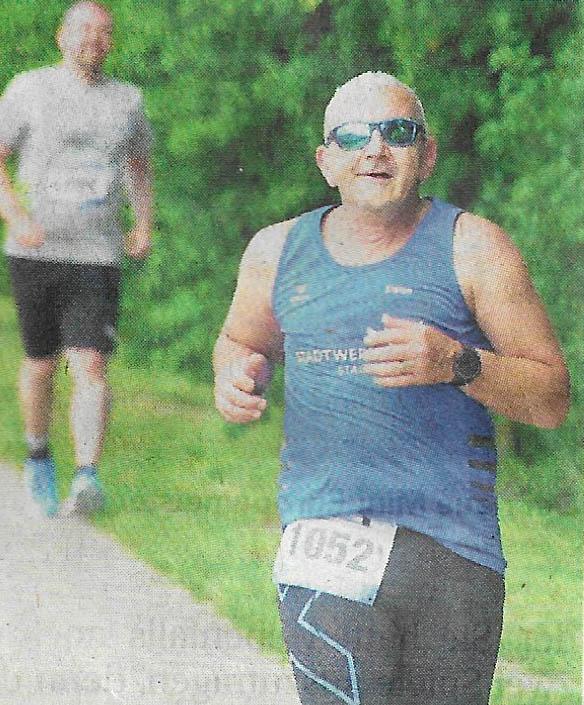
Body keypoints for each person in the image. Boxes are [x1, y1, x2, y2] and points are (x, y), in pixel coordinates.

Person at [213, 72, 569, 704]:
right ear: (326, 161)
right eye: (352, 136)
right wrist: (236, 373)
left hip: (452, 548)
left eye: (397, 133)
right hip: (327, 538)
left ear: (426, 155)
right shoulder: (276, 251)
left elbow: (551, 398)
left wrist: (458, 362)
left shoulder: (475, 247)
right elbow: (240, 341)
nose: (375, 149)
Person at [0, 1, 153, 517]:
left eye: (104, 31)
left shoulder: (127, 100)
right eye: (84, 29)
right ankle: (38, 455)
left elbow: (139, 165)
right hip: (37, 248)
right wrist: (15, 215)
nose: (94, 39)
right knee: (41, 363)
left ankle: (87, 475)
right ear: (62, 36)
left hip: (97, 252)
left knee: (90, 362)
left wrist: (143, 222)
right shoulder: (29, 89)